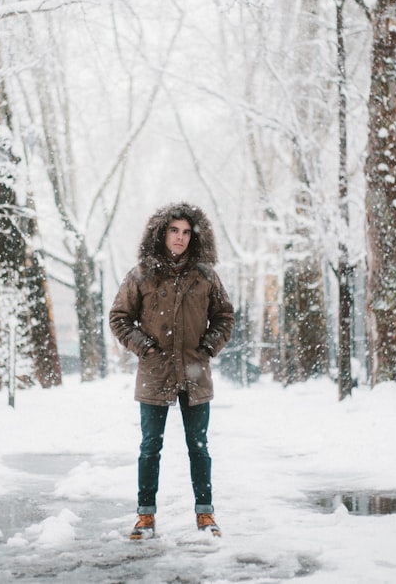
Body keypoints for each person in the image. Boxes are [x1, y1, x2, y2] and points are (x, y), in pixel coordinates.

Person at [109, 202, 235, 540]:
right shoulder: (141, 275)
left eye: (185, 232)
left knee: (199, 446)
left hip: (195, 373)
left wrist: (208, 347)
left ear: (195, 237)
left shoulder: (206, 276)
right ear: (161, 232)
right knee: (150, 446)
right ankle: (145, 516)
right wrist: (145, 347)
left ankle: (205, 514)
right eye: (173, 230)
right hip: (155, 373)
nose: (179, 238)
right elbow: (119, 317)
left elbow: (225, 316)